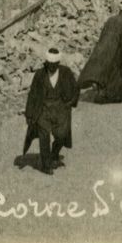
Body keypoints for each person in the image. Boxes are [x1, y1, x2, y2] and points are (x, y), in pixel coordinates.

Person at [22, 47, 79, 175]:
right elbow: (33, 94)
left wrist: (69, 103)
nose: (52, 67)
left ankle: (54, 152)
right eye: (50, 64)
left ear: (58, 63)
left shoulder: (66, 73)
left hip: (60, 109)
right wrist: (29, 113)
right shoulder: (40, 75)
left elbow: (75, 88)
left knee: (62, 134)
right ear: (46, 63)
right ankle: (46, 165)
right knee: (44, 136)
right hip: (44, 109)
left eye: (54, 64)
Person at [79, 0, 122, 104]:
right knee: (118, 74)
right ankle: (113, 96)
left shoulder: (111, 19)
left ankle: (102, 92)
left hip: (103, 49)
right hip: (115, 52)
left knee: (105, 73)